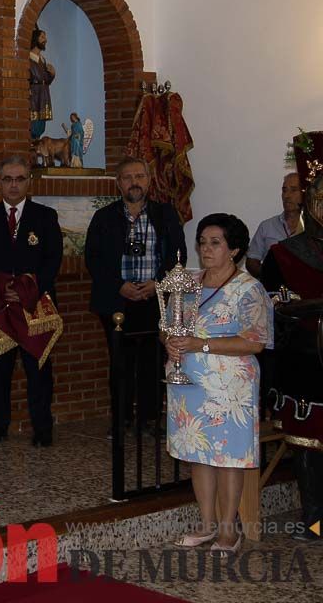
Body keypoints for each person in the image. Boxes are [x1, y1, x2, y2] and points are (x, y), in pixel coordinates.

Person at [165, 213, 271, 554]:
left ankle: (229, 530)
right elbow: (168, 325)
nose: (206, 249)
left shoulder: (248, 288)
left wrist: (202, 344)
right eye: (202, 242)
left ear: (235, 249)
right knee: (199, 454)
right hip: (188, 382)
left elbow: (255, 342)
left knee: (227, 457)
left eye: (215, 243)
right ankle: (206, 524)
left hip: (229, 387)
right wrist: (169, 341)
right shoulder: (188, 282)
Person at [85, 157, 186, 436]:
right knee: (121, 363)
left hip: (154, 300)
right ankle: (121, 419)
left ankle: (150, 418)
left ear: (149, 180)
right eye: (128, 177)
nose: (134, 182)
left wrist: (158, 283)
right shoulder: (104, 217)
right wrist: (119, 285)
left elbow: (178, 255)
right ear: (118, 183)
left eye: (140, 176)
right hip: (117, 301)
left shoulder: (165, 214)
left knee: (153, 362)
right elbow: (93, 259)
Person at [0, 156, 63, 447]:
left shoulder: (45, 217)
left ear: (29, 182)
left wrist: (26, 289)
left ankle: (42, 428)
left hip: (34, 308)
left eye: (20, 178)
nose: (13, 184)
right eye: (8, 179)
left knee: (38, 371)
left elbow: (53, 261)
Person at [260, 131, 323, 543]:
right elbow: (271, 311)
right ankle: (317, 522)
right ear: (310, 202)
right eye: (320, 197)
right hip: (307, 365)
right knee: (311, 447)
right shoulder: (283, 254)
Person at [246, 171, 302, 277]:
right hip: (274, 291)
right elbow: (252, 261)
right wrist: (270, 277)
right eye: (284, 190)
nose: (287, 196)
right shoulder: (267, 226)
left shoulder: (315, 227)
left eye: (294, 190)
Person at [28, 28, 55, 140]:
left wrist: (52, 74)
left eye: (45, 37)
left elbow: (46, 80)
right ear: (35, 39)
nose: (45, 40)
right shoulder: (28, 58)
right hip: (34, 95)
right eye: (42, 37)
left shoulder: (42, 60)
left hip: (43, 95)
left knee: (40, 126)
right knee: (33, 125)